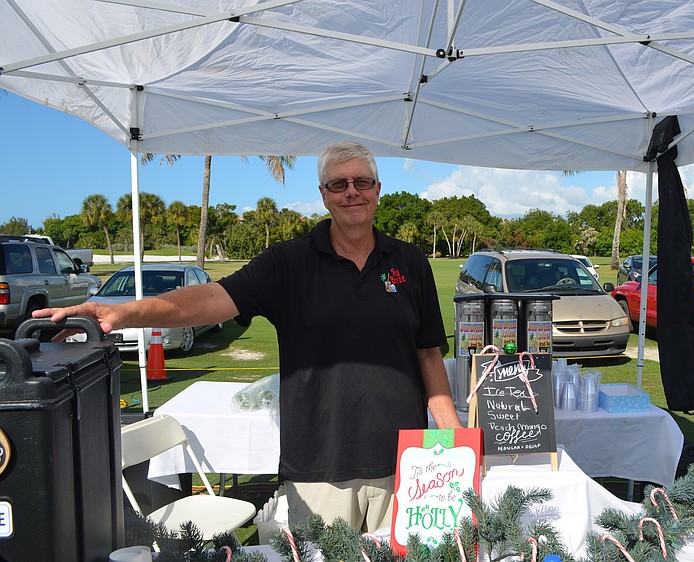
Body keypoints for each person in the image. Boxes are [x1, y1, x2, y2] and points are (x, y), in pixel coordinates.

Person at [34, 140, 463, 532]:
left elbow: (428, 356)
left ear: (377, 188)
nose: (351, 191)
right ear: (323, 195)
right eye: (338, 184)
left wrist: (454, 446)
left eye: (361, 181)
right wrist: (121, 312)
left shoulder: (410, 261)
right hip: (318, 471)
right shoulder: (288, 263)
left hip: (405, 464)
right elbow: (209, 299)